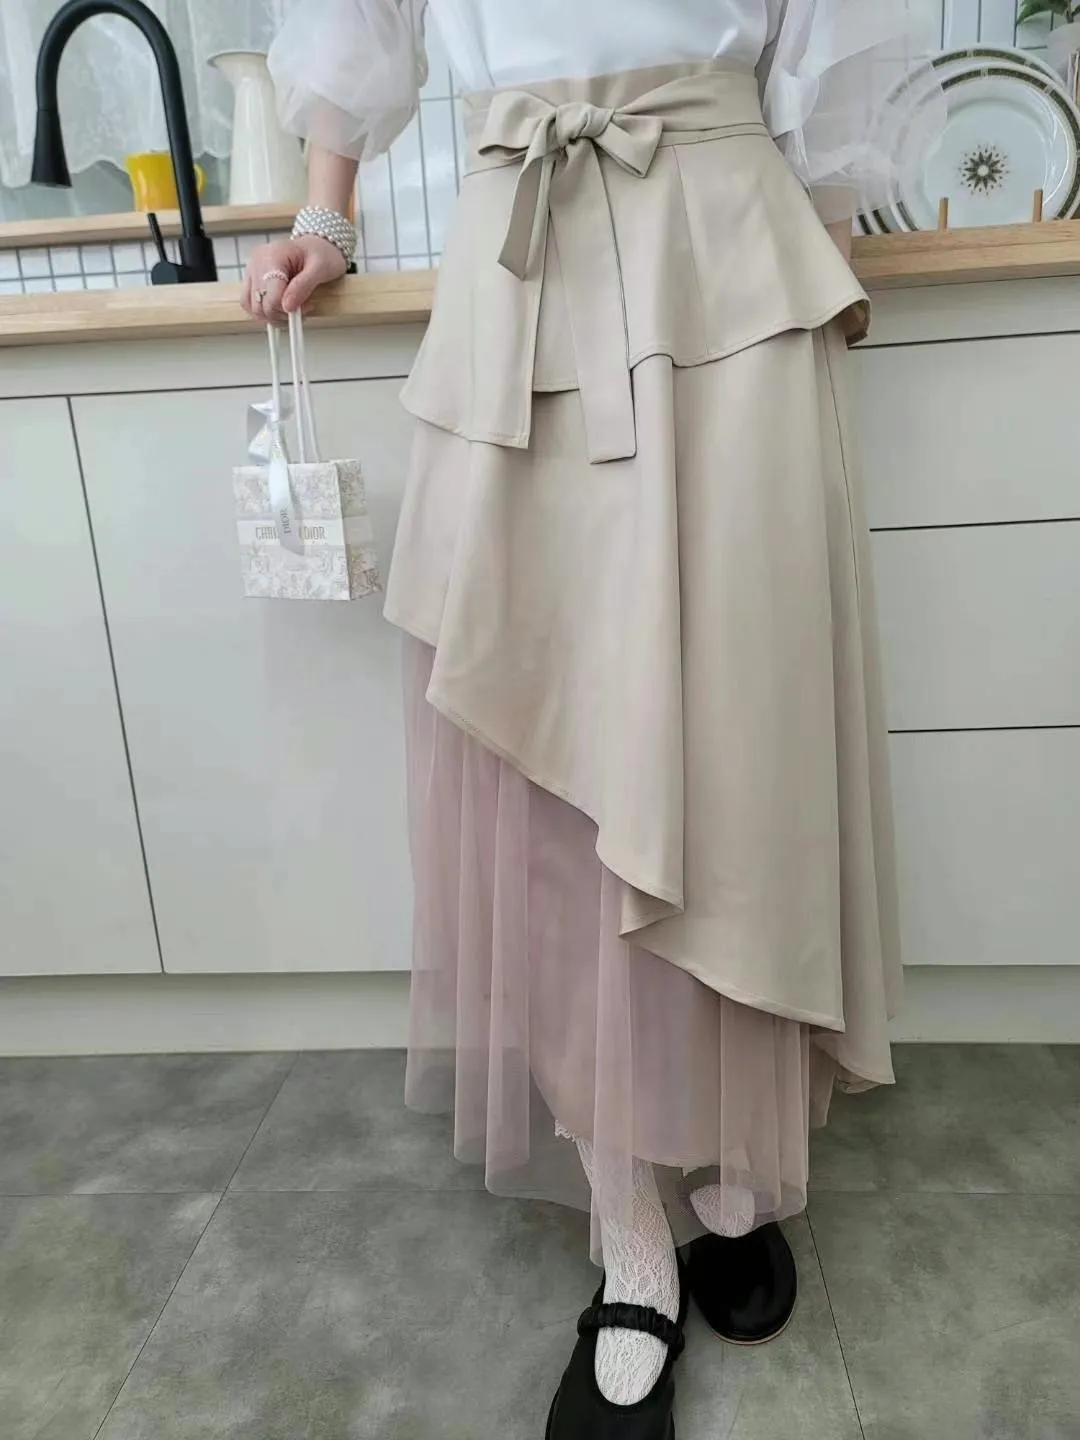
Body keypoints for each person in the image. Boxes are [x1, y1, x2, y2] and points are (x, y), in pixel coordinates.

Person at [243, 3, 943, 1434]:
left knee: (746, 742)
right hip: (521, 262)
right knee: (541, 766)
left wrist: (816, 249)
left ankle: (741, 1166)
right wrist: (326, 211)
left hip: (731, 257)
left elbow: (832, 41)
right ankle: (630, 1236)